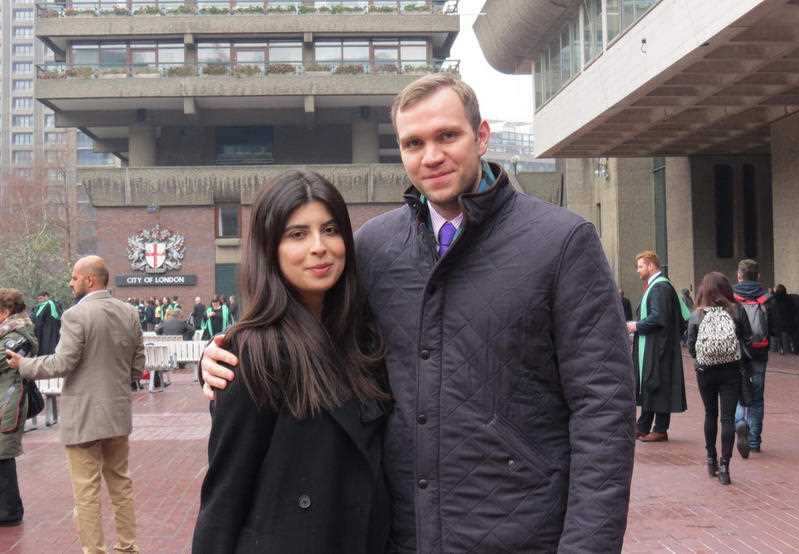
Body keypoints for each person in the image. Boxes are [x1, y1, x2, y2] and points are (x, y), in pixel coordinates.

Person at [201, 74, 635, 552]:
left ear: (482, 136)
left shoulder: (562, 242)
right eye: (414, 143)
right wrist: (226, 351)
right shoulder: (376, 247)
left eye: (447, 136)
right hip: (404, 534)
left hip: (523, 532)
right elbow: (317, 328)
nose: (431, 156)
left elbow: (603, 410)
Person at [192, 171, 391, 553]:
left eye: (330, 230)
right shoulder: (252, 356)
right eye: (297, 234)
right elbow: (224, 495)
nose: (320, 247)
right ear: (270, 249)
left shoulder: (364, 339)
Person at [5, 256, 145, 554]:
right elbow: (137, 365)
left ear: (89, 280)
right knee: (121, 485)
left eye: (73, 277)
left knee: (86, 492)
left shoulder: (75, 315)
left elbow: (62, 363)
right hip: (118, 414)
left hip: (83, 417)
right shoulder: (130, 312)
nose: (70, 282)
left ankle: (95, 551)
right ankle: (128, 548)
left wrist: (24, 364)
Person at [687, 272, 752, 485]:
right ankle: (725, 466)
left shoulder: (697, 315)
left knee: (709, 414)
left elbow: (691, 345)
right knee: (727, 418)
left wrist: (703, 357)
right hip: (731, 371)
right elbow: (747, 339)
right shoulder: (737, 311)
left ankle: (710, 459)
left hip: (706, 371)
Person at [626, 251, 687, 442]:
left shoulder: (660, 287)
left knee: (657, 385)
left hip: (659, 347)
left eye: (641, 266)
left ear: (651, 265)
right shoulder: (657, 286)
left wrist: (635, 325)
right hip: (655, 344)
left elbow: (658, 317)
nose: (638, 271)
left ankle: (660, 429)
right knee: (651, 385)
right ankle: (643, 426)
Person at [0, 289, 37, 526]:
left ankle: (9, 512)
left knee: (3, 455)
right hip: (4, 399)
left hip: (9, 402)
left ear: (5, 312)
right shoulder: (7, 332)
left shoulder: (19, 334)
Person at [734, 259, 770, 456]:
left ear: (739, 276)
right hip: (759, 352)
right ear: (758, 276)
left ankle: (740, 422)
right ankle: (754, 441)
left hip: (736, 353)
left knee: (737, 392)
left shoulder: (730, 296)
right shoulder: (766, 297)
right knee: (757, 397)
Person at [32, 291, 61, 355]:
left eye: (41, 298)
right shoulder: (39, 306)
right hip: (40, 332)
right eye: (38, 299)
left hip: (49, 332)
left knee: (48, 349)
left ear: (46, 297)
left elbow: (57, 317)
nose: (39, 300)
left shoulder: (50, 304)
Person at [768, 284, 794, 355]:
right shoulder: (789, 299)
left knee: (774, 350)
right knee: (787, 348)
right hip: (788, 327)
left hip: (776, 328)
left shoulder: (773, 300)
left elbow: (771, 312)